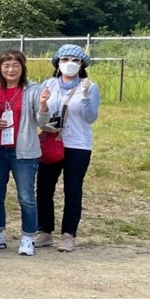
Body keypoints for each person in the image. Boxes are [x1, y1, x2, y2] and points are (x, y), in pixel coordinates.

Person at [36, 45, 100, 253]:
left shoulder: (89, 86)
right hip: (51, 142)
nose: (69, 63)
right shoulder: (48, 85)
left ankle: (68, 234)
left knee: (72, 189)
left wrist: (86, 96)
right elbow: (40, 116)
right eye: (64, 59)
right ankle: (45, 230)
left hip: (78, 145)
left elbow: (90, 117)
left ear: (82, 64)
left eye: (75, 60)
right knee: (44, 188)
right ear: (57, 62)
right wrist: (44, 107)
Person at [0, 50, 51, 257]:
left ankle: (27, 237)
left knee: (26, 196)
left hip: (24, 151)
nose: (11, 70)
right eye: (6, 65)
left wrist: (43, 104)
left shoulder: (32, 90)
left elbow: (42, 122)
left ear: (22, 68)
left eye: (15, 65)